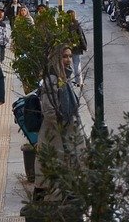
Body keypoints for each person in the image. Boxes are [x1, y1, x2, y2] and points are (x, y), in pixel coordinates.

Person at [35, 46, 82, 201]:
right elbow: (48, 109)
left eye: (70, 56)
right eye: (64, 56)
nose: (68, 60)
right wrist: (62, 125)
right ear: (57, 58)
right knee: (52, 161)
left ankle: (66, 191)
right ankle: (44, 194)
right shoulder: (52, 79)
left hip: (64, 129)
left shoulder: (64, 77)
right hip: (54, 131)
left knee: (66, 160)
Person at [66, 10, 87, 80]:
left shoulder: (65, 25)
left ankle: (68, 79)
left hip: (67, 47)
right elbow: (81, 37)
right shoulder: (76, 25)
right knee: (77, 64)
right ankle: (78, 81)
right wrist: (84, 46)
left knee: (67, 64)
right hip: (76, 47)